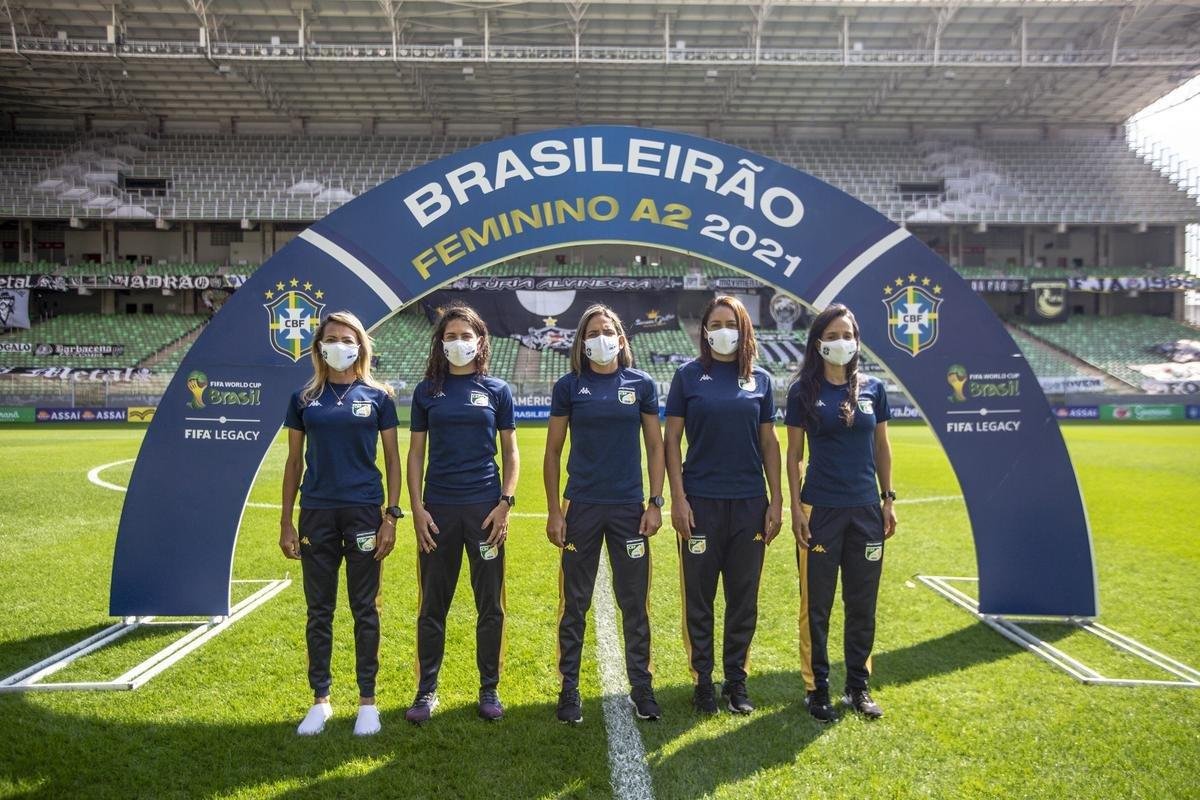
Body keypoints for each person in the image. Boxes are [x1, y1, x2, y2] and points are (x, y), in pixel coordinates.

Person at [279, 310, 401, 737]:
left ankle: (368, 703)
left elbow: (392, 461)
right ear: (319, 347)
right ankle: (321, 701)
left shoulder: (380, 396)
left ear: (361, 346)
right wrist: (286, 522)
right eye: (330, 338)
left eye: (347, 338)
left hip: (365, 511)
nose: (339, 345)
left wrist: (391, 515)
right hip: (316, 512)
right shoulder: (304, 399)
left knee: (365, 609)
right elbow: (294, 462)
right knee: (320, 610)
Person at [544, 304, 666, 725]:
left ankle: (642, 688)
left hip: (630, 511)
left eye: (607, 329)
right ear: (581, 341)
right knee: (574, 603)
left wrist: (655, 501)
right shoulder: (569, 386)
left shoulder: (641, 384)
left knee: (634, 603)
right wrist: (554, 511)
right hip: (581, 508)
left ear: (620, 337)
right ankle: (569, 689)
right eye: (592, 331)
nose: (601, 337)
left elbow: (655, 447)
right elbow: (553, 451)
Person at [665, 295, 783, 715]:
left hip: (750, 505)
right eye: (714, 323)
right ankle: (702, 681)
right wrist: (677, 499)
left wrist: (777, 501)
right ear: (704, 331)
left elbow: (769, 444)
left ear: (744, 328)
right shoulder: (688, 377)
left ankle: (736, 682)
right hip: (700, 505)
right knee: (699, 599)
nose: (722, 330)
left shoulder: (761, 380)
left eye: (730, 323)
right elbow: (671, 441)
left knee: (743, 598)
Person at [406, 303, 519, 723]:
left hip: (485, 511)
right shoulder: (426, 391)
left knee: (489, 604)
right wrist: (416, 508)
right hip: (437, 512)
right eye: (450, 336)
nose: (458, 343)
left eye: (465, 336)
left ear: (480, 341)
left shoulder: (497, 390)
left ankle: (489, 689)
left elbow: (511, 452)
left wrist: (505, 503)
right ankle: (426, 691)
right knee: (433, 605)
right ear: (440, 343)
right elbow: (416, 454)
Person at [785, 303, 897, 723]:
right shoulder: (803, 392)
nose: (840, 342)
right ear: (818, 343)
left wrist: (888, 498)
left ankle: (858, 687)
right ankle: (817, 689)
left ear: (857, 339)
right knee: (817, 605)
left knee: (862, 602)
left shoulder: (874, 389)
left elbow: (882, 447)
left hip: (866, 510)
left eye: (847, 334)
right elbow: (794, 454)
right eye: (831, 336)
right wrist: (796, 506)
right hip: (821, 511)